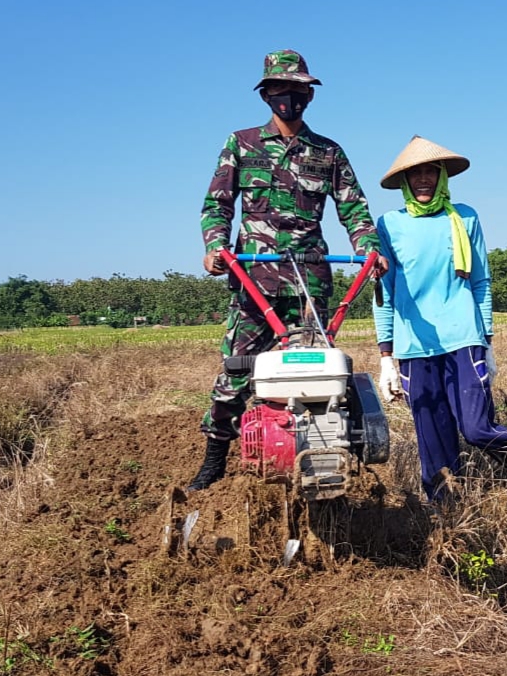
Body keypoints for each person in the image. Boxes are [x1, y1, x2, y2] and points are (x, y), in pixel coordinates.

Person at [188, 49, 388, 493]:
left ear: (309, 96)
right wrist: (215, 246)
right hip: (253, 279)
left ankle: (317, 453)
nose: (289, 98)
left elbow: (354, 207)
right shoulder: (240, 144)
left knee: (315, 373)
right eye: (280, 89)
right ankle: (215, 459)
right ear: (266, 94)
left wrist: (369, 250)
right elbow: (217, 204)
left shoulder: (328, 151)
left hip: (309, 278)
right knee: (234, 375)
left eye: (298, 90)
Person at [371, 136, 507, 501]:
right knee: (433, 437)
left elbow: (482, 280)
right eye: (415, 173)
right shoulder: (389, 225)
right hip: (413, 346)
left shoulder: (465, 217)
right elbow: (383, 293)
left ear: (442, 177)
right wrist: (386, 356)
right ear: (404, 182)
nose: (424, 179)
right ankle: (447, 511)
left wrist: (487, 341)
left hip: (464, 338)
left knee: (476, 428)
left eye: (431, 172)